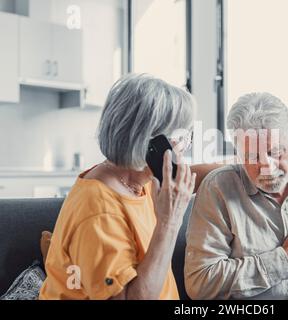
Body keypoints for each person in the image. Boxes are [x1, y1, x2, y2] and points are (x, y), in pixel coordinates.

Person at [39, 73, 221, 300]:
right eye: (182, 138)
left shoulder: (135, 178)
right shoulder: (99, 210)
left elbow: (188, 175)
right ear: (151, 145)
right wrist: (170, 221)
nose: (186, 147)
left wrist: (243, 168)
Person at [184, 92, 288, 300]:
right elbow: (200, 283)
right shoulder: (217, 188)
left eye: (275, 152)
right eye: (252, 157)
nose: (267, 168)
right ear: (238, 153)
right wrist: (281, 261)